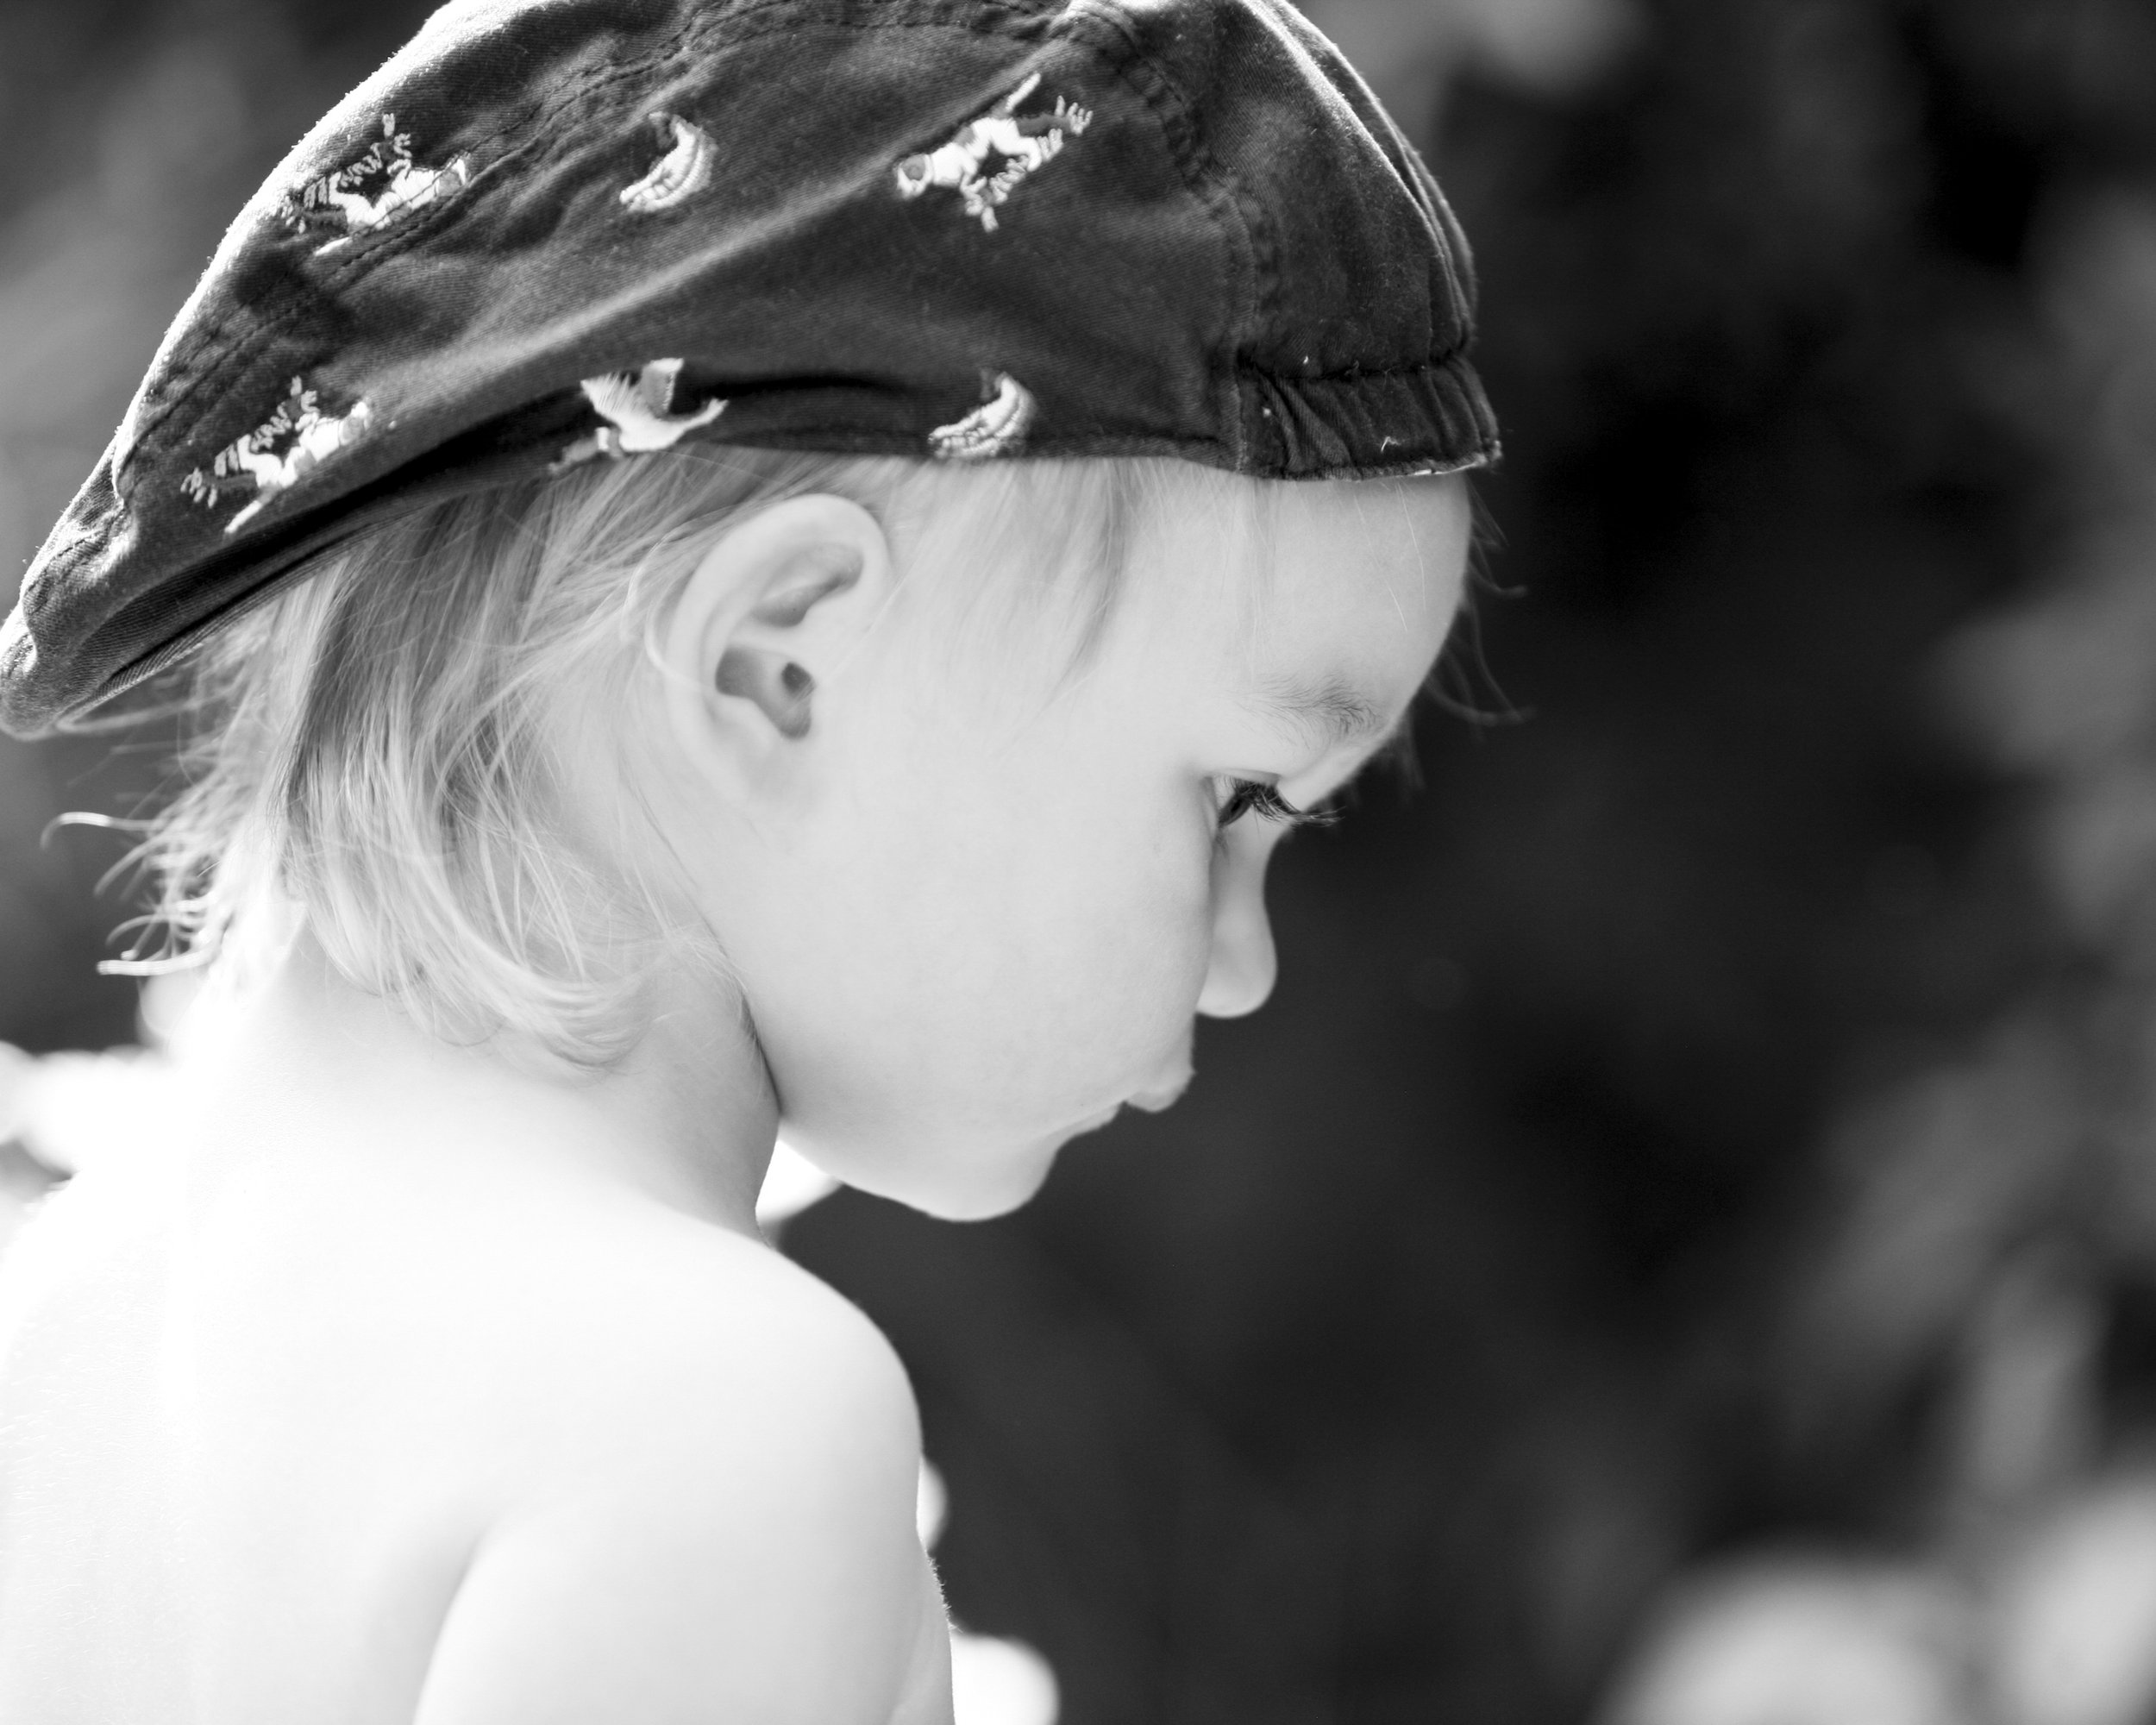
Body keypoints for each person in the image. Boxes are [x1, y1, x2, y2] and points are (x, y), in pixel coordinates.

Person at [0, 0, 1497, 1718]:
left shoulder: (68, 1310)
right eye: (1234, 798)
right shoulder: (711, 1423)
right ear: (779, 668)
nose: (1246, 962)